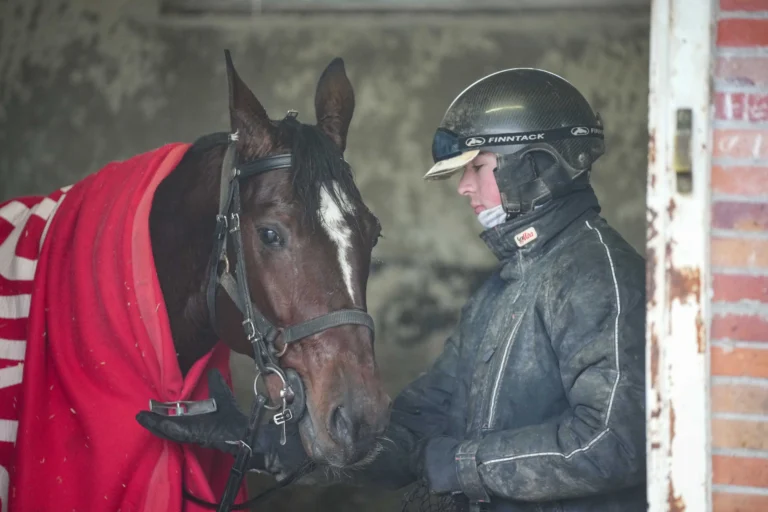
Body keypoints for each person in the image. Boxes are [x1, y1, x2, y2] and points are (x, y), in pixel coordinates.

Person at [137, 68, 647, 512]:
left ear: (533, 169)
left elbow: (614, 443)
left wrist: (457, 463)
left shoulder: (600, 277)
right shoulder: (502, 290)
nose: (465, 187)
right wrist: (279, 445)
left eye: (477, 168)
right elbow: (419, 426)